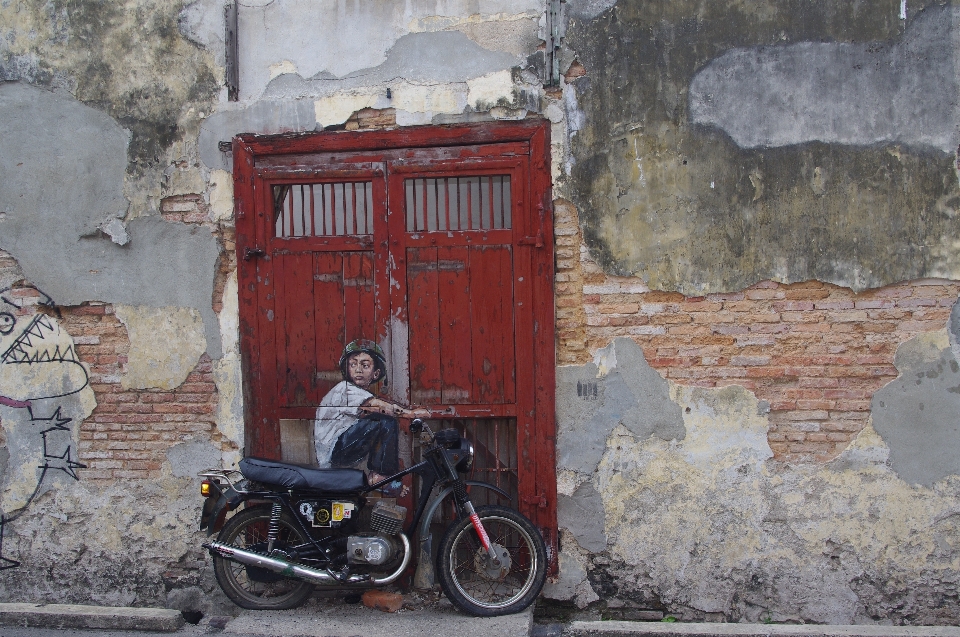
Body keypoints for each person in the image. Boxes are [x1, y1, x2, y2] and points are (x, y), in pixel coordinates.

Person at [313, 339, 428, 489]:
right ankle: (380, 476)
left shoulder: (358, 393)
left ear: (376, 373)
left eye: (365, 365)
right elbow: (377, 405)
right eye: (353, 364)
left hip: (339, 451)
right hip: (334, 452)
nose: (358, 369)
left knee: (379, 422)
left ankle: (380, 477)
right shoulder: (344, 389)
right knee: (384, 422)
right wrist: (410, 414)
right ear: (346, 369)